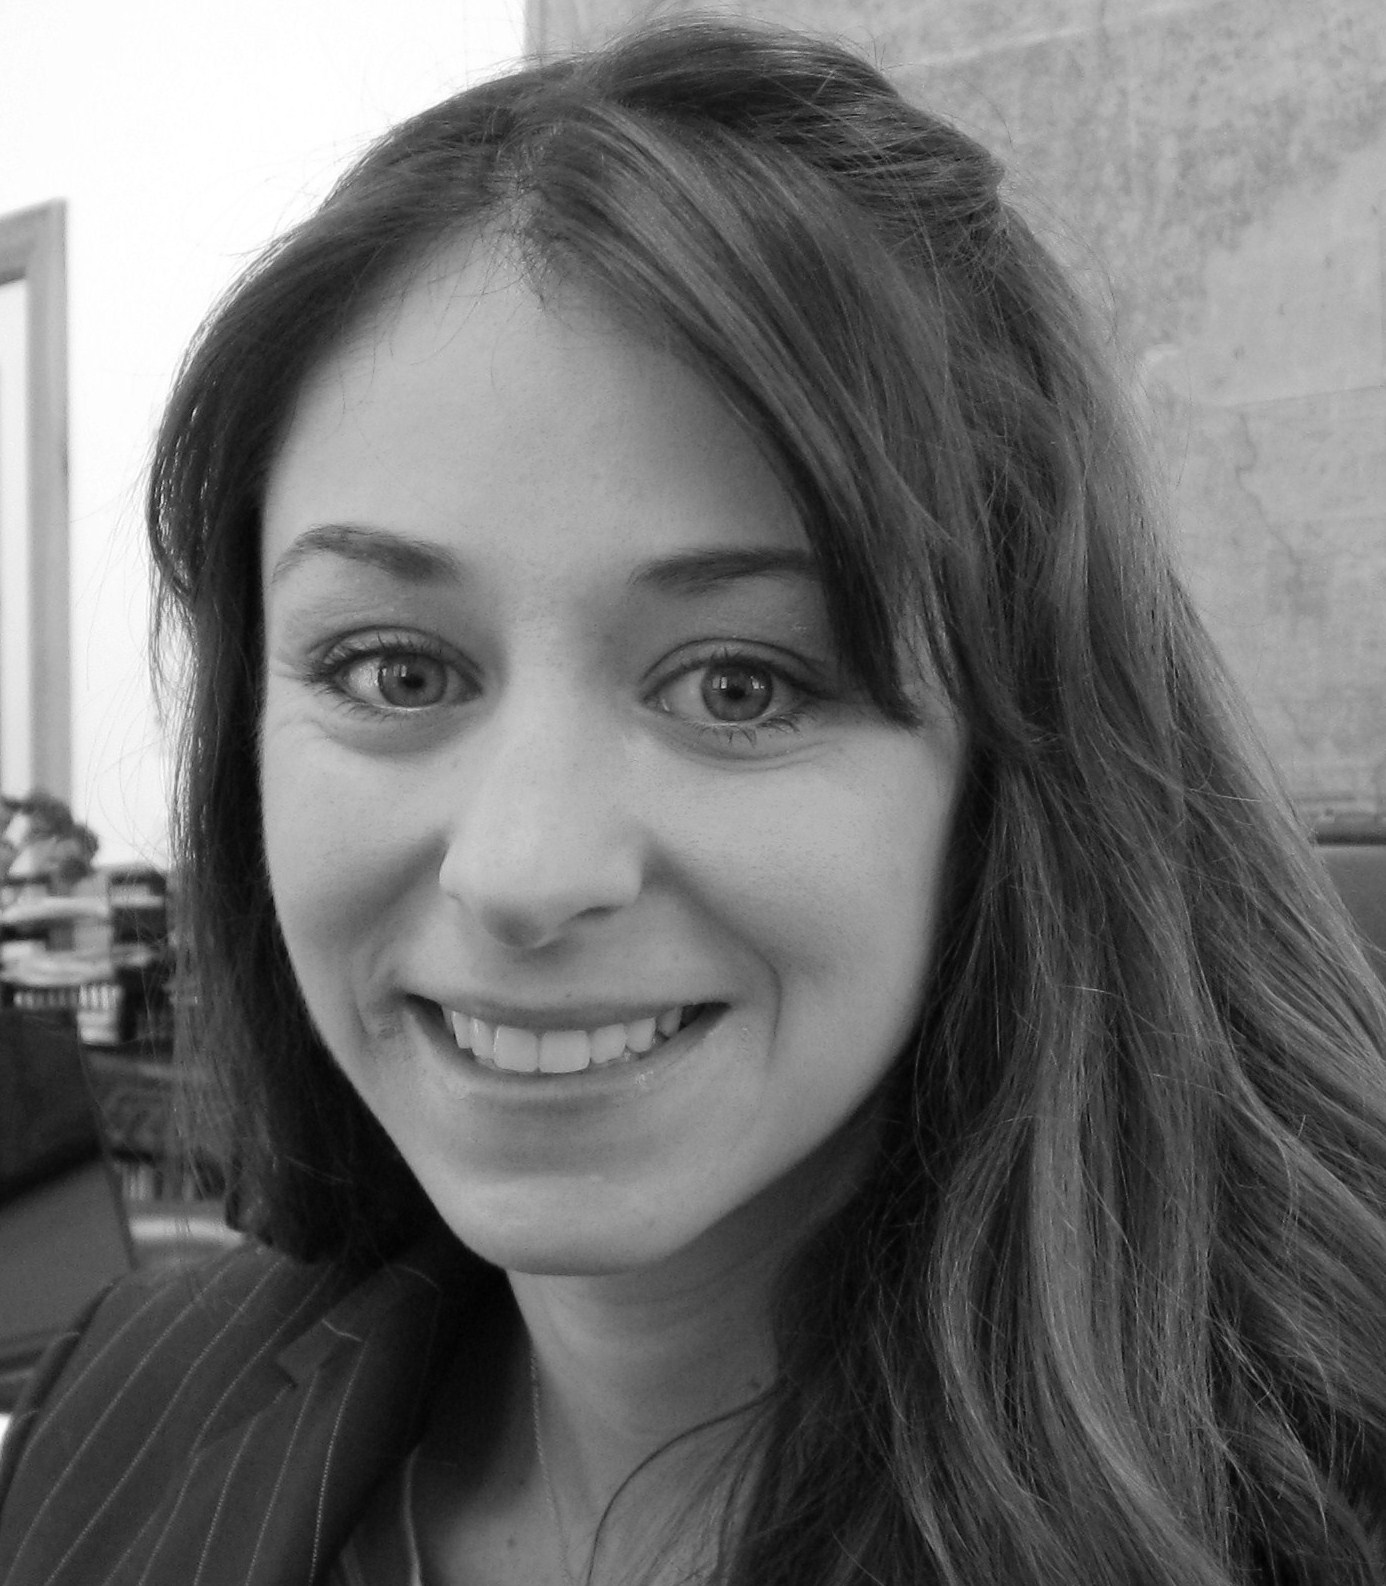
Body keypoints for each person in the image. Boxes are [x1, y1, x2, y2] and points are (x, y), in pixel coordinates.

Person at [3, 15, 1386, 1586]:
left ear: (1017, 771)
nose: (523, 870)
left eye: (739, 684)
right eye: (394, 668)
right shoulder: (116, 1404)